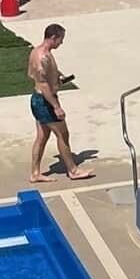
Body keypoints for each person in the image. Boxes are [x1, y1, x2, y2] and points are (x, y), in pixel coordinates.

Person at [26, 24, 94, 183]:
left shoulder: (37, 52)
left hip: (38, 99)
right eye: (61, 39)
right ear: (53, 37)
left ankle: (35, 173)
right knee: (63, 134)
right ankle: (73, 170)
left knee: (42, 137)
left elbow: (36, 77)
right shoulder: (42, 56)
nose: (61, 43)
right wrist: (56, 106)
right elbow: (43, 85)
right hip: (45, 102)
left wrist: (57, 80)